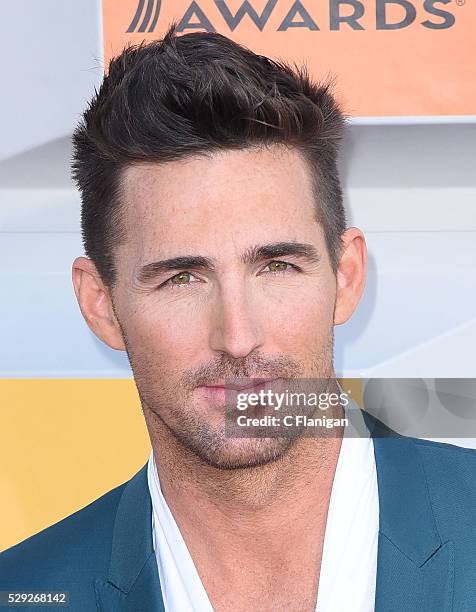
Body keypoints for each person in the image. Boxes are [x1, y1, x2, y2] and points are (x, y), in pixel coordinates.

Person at [1, 23, 476, 612]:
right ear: (102, 304)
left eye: (276, 267)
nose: (238, 337)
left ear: (346, 276)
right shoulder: (24, 592)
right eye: (182, 278)